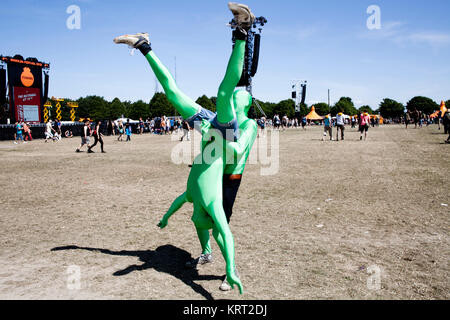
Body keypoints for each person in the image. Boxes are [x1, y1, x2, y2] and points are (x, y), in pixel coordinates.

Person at [115, 2, 259, 294]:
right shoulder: (225, 114)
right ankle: (144, 45)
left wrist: (212, 137)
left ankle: (243, 29)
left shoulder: (248, 125)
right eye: (240, 93)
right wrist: (210, 133)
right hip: (215, 129)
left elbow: (236, 153)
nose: (242, 94)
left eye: (243, 94)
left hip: (227, 177)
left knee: (218, 226)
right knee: (172, 92)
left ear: (246, 104)